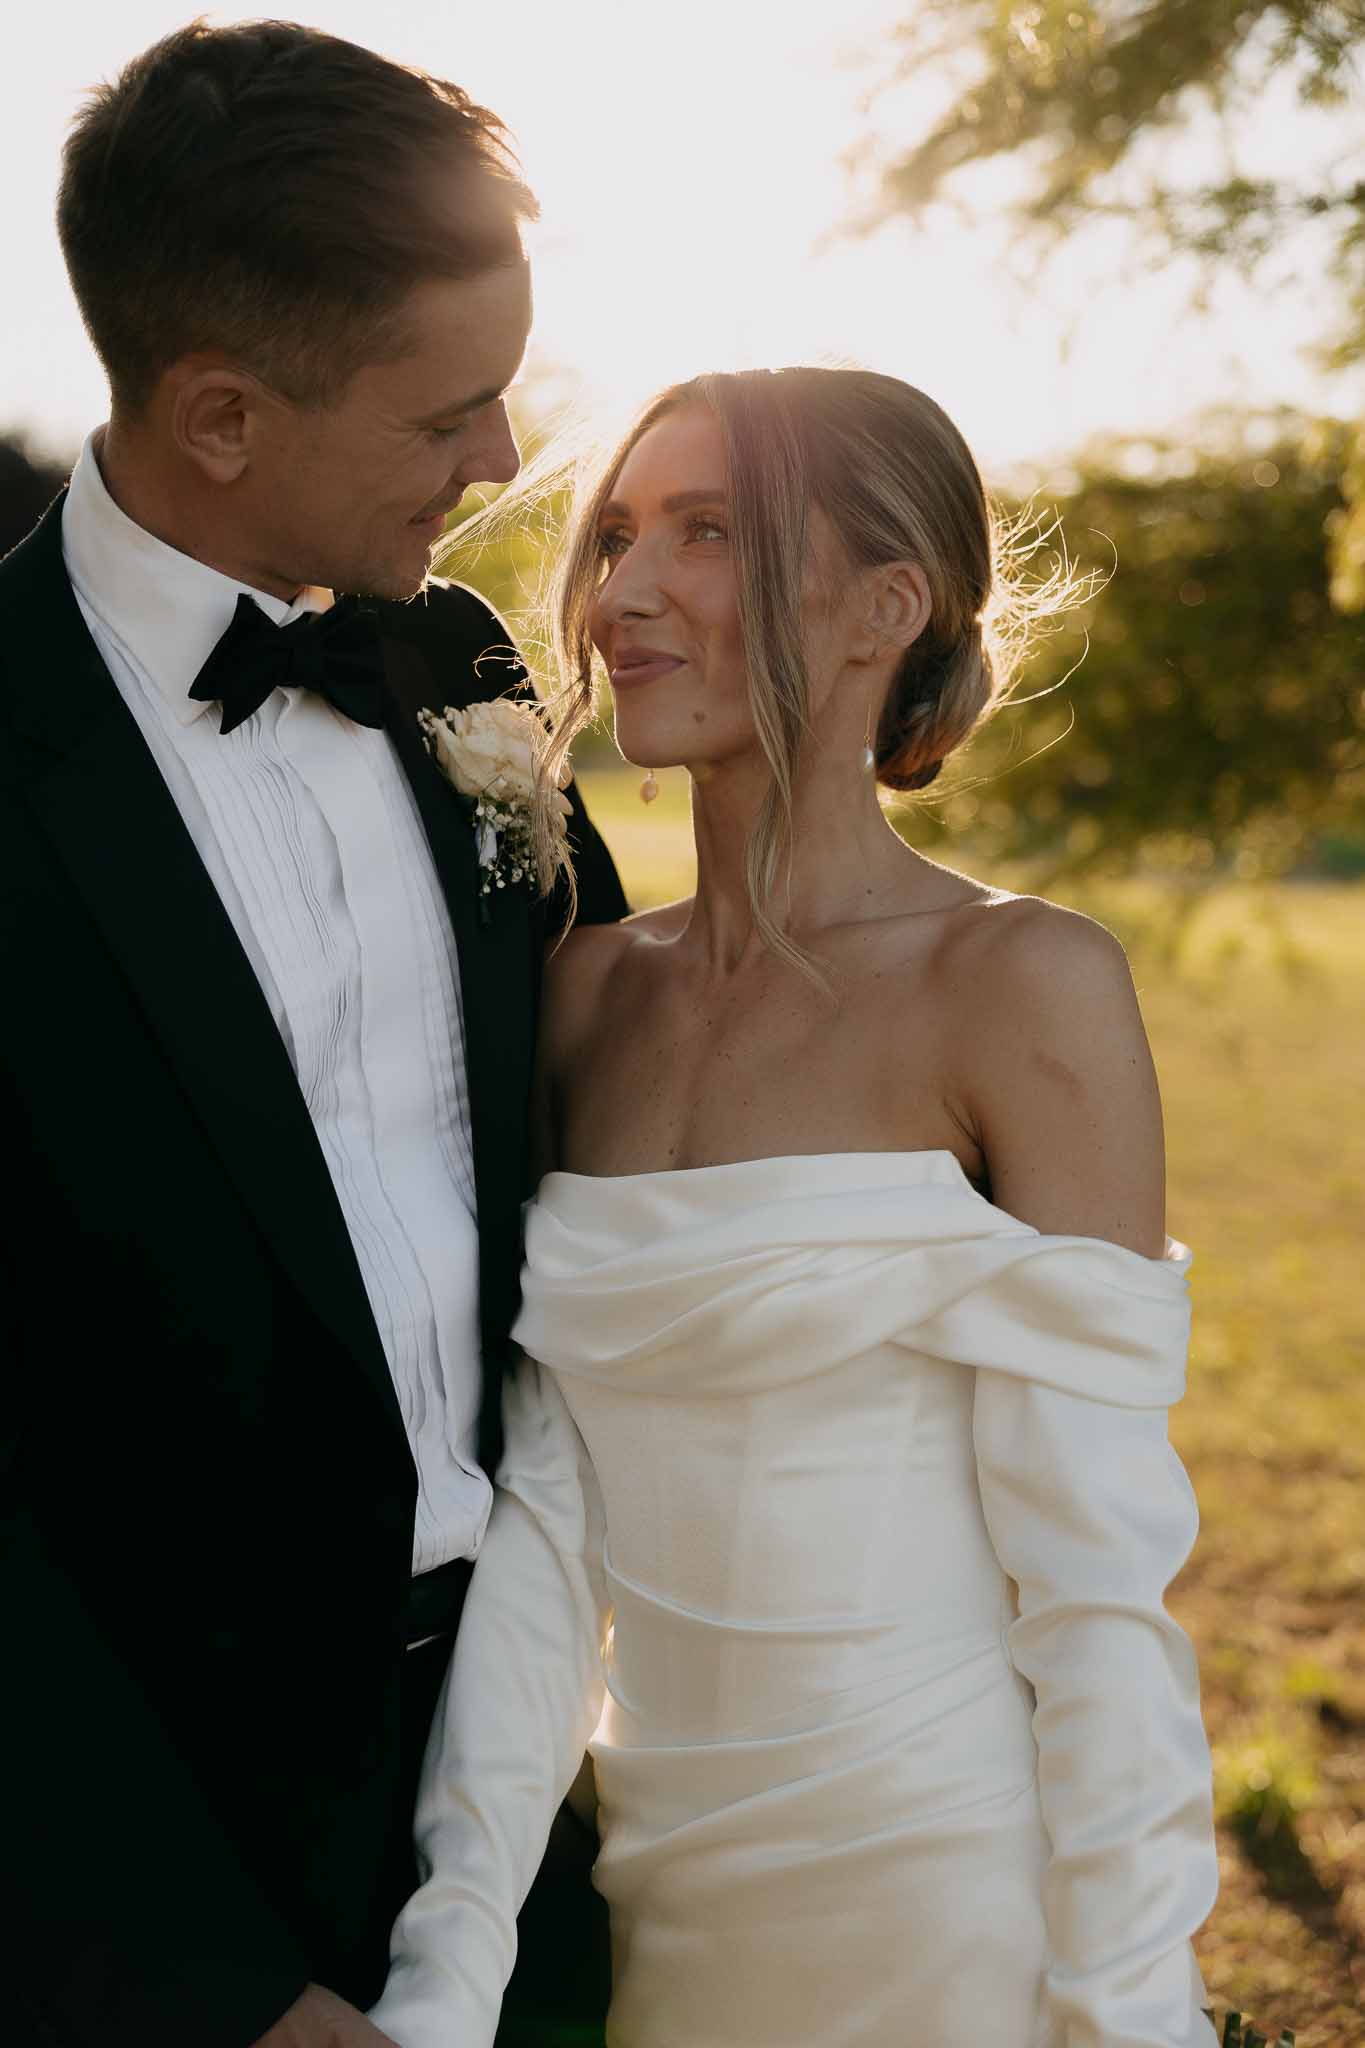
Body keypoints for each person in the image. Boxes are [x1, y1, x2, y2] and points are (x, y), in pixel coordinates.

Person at [373, 368, 1221, 2048]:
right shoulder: (583, 997)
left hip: (948, 1886)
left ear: (883, 606)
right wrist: (447, 1971)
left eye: (707, 533)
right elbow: (549, 1523)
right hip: (658, 1878)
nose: (618, 593)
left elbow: (1097, 1582)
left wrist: (1128, 2010)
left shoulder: (1020, 984)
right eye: (616, 535)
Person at [0, 22, 625, 2048]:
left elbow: (624, 1097)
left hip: (533, 1789)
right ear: (219, 412)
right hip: (135, 1884)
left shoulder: (453, 668)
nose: (508, 459)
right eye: (444, 412)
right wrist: (205, 1979)